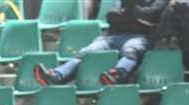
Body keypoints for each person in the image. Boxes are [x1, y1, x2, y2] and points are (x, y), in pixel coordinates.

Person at [34, 0, 169, 86]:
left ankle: (117, 76)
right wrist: (136, 17)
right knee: (87, 51)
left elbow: (152, 15)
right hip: (114, 35)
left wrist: (130, 11)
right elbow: (111, 16)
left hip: (141, 37)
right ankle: (57, 75)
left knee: (130, 50)